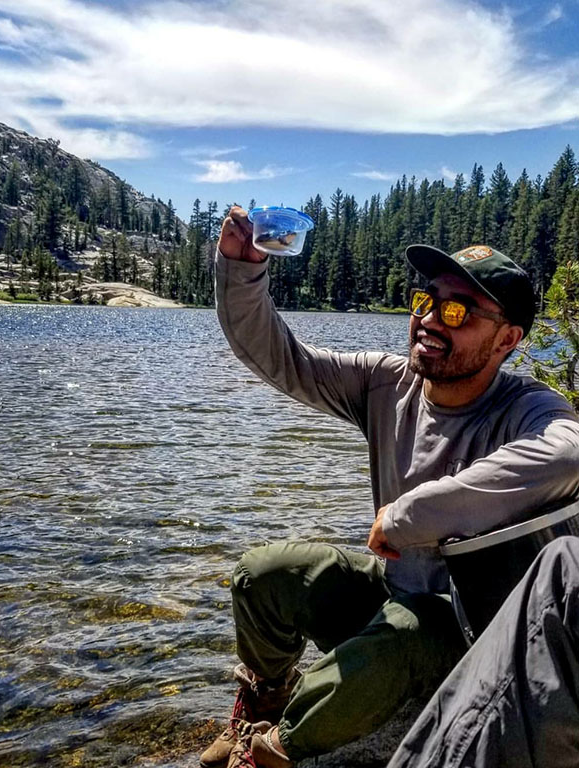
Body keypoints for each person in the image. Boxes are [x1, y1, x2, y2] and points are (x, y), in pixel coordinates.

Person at [200, 205, 579, 768]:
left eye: (457, 311)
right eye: (426, 300)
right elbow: (281, 359)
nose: (430, 320)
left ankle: (274, 748)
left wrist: (408, 516)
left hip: (468, 628)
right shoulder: (386, 382)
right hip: (394, 586)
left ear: (507, 339)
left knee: (403, 633)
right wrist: (241, 268)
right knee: (265, 575)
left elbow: (568, 453)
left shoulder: (526, 408)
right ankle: (265, 696)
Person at [386, 534, 579, 768]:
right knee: (340, 568)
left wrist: (394, 523)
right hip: (409, 582)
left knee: (564, 564)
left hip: (458, 606)